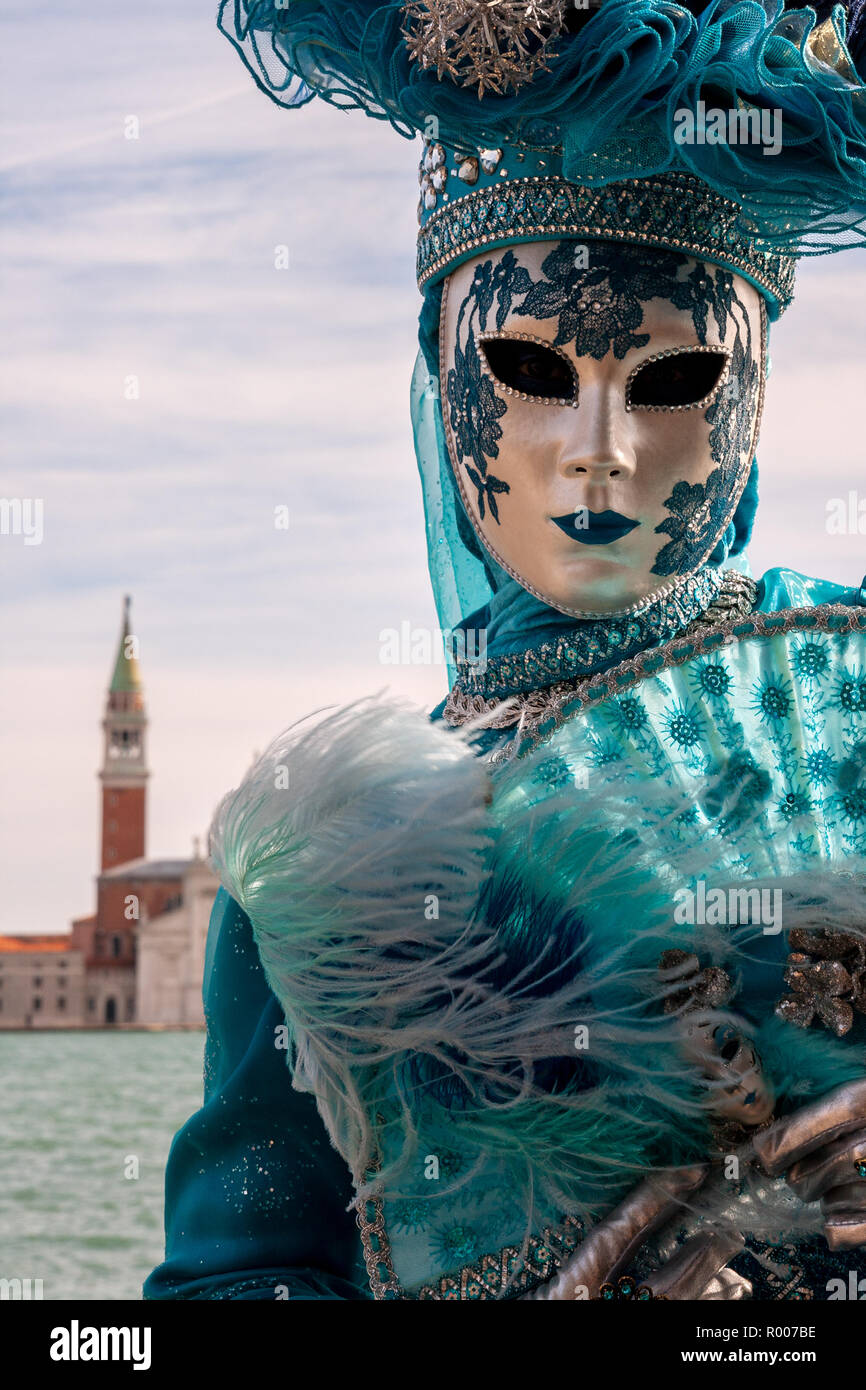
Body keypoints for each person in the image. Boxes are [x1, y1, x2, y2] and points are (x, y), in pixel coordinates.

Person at [145, 0, 866, 1301]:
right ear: (439, 372)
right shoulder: (327, 856)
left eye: (674, 380)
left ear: (753, 399)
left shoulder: (840, 704)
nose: (599, 445)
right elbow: (236, 1271)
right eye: (530, 366)